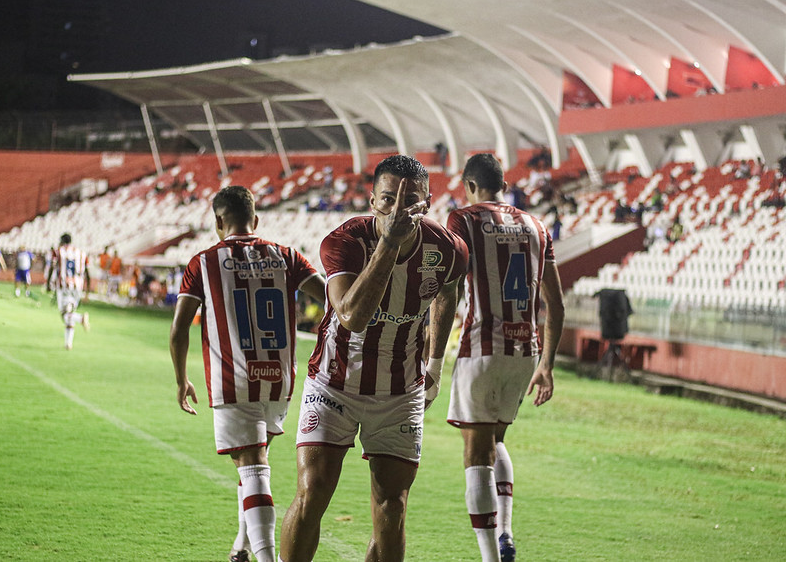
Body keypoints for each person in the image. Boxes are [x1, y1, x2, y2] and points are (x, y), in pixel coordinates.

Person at [279, 155, 468, 561]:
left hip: (401, 391)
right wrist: (389, 244)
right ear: (371, 201)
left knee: (392, 507)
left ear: (428, 203)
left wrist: (435, 364)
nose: (398, 210)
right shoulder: (344, 242)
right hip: (335, 382)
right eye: (387, 199)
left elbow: (448, 293)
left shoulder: (449, 250)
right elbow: (352, 316)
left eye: (410, 201)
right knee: (313, 493)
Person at [169, 186, 325, 562]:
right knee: (253, 462)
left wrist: (181, 379)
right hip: (279, 379)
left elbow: (178, 331)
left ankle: (267, 558)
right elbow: (334, 299)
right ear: (255, 220)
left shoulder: (204, 261)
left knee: (253, 466)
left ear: (219, 222)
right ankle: (241, 548)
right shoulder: (287, 256)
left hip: (233, 380)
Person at [440, 154, 565, 562]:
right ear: (504, 183)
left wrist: (432, 354)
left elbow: (450, 291)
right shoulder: (537, 226)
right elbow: (556, 304)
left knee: (476, 452)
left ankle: (490, 557)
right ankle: (506, 532)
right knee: (495, 440)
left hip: (481, 348)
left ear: (470, 186)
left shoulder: (464, 219)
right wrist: (546, 365)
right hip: (525, 352)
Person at [46, 233, 91, 350]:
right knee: (69, 314)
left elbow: (52, 266)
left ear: (61, 241)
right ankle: (68, 343)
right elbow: (87, 273)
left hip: (64, 286)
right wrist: (87, 291)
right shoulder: (81, 253)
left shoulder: (58, 251)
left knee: (65, 314)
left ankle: (81, 318)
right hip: (78, 287)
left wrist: (48, 284)